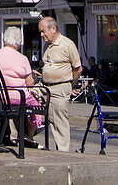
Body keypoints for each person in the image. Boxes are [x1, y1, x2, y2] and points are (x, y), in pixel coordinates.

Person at [37, 17, 81, 152]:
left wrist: (69, 85)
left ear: (53, 29)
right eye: (40, 32)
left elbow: (77, 68)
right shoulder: (47, 45)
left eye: (43, 31)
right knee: (24, 102)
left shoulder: (67, 44)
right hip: (44, 87)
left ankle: (63, 153)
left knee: (59, 123)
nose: (41, 35)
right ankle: (22, 139)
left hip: (59, 88)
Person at [0, 26, 43, 146]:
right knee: (35, 104)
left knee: (20, 107)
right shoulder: (22, 58)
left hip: (0, 96)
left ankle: (19, 135)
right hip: (18, 97)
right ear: (18, 42)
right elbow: (30, 82)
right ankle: (28, 136)